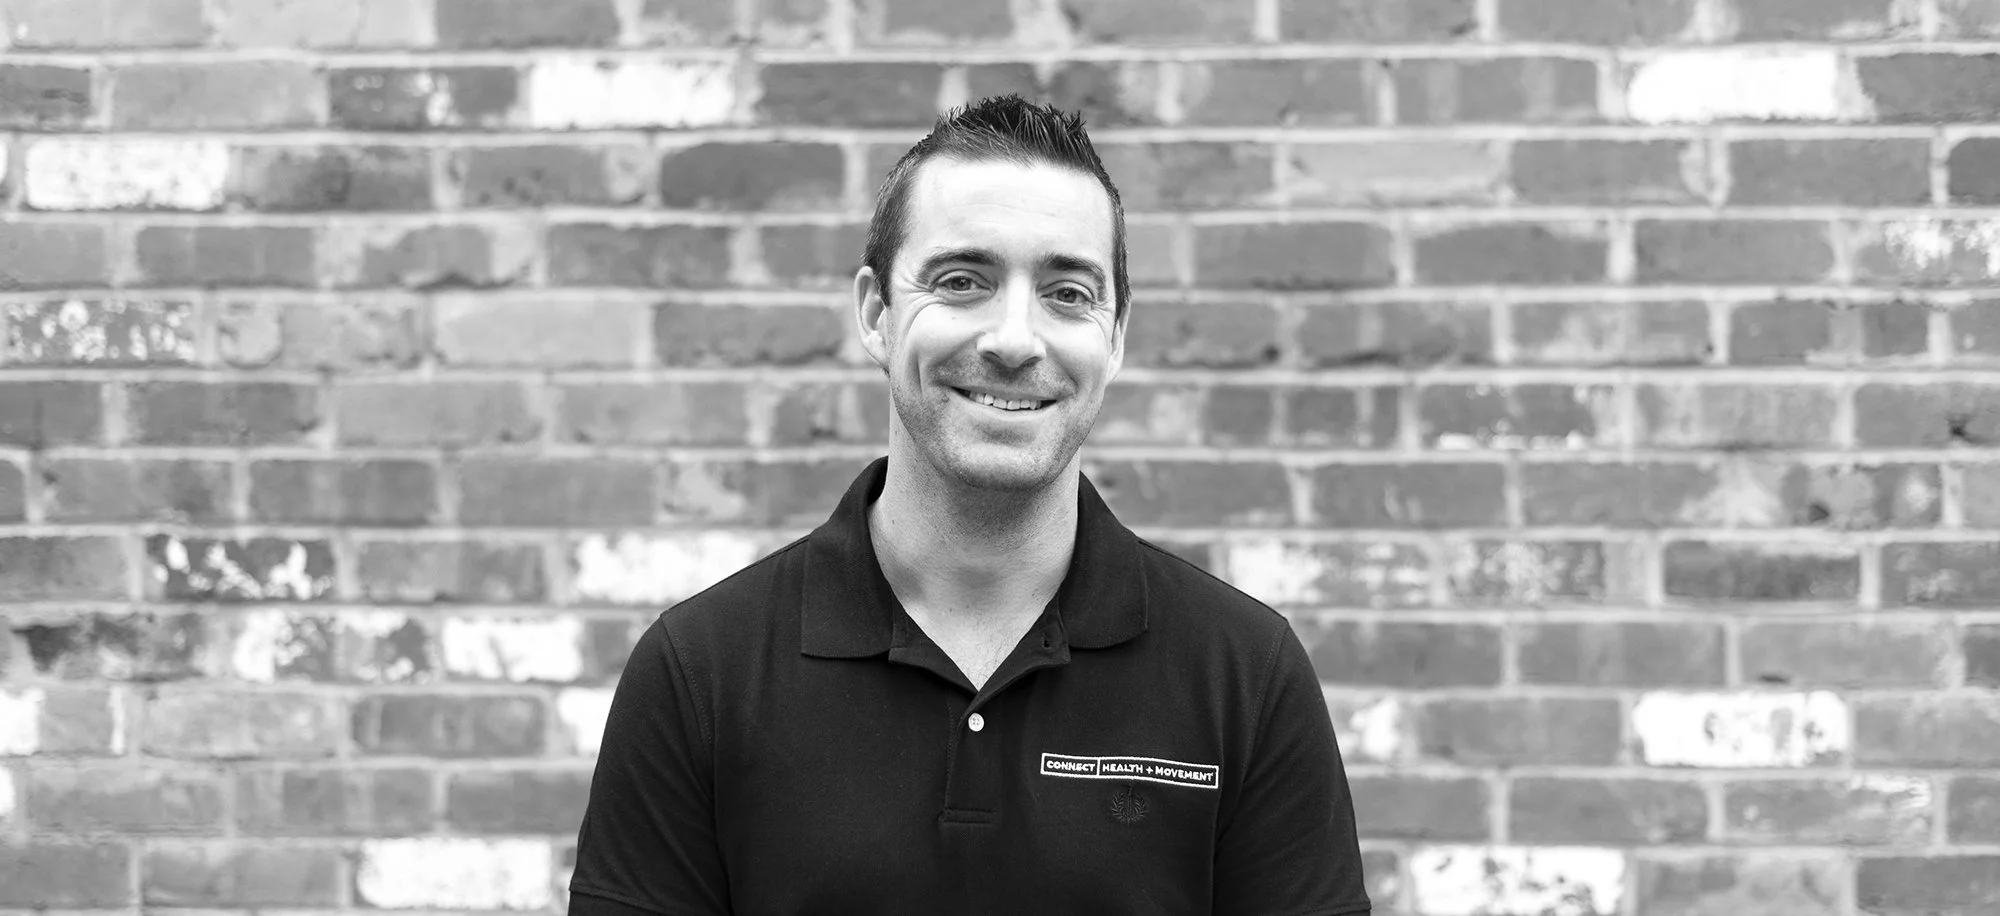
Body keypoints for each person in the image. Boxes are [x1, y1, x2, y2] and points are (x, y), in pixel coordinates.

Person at [567, 95, 1370, 916]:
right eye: (962, 281)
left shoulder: (1244, 674)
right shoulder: (700, 673)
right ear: (877, 314)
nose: (1015, 340)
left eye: (1067, 292)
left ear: (1117, 336)